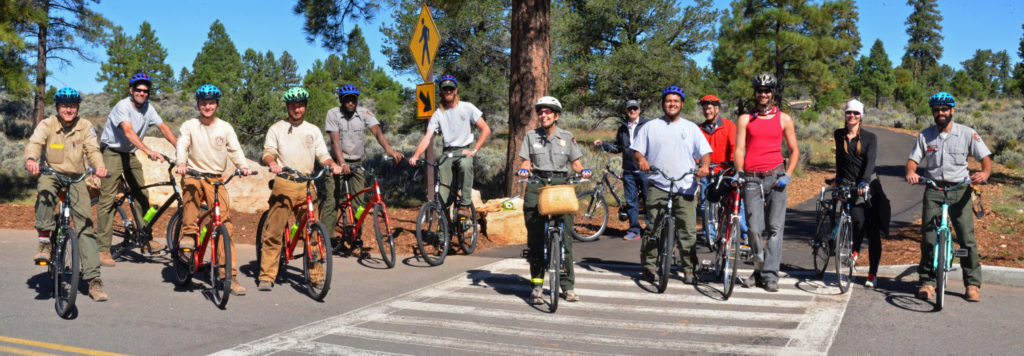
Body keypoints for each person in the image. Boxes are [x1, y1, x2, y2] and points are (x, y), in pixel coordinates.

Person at [25, 87, 111, 301]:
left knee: (86, 226)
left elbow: (92, 150)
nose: (68, 109)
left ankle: (94, 280)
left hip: (77, 177)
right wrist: (31, 160)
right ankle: (45, 241)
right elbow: (35, 144)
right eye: (64, 105)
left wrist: (99, 167)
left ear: (77, 108)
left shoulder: (85, 126)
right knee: (44, 190)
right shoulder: (47, 124)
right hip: (52, 172)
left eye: (72, 106)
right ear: (57, 107)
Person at [905, 92, 991, 302]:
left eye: (944, 109)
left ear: (952, 110)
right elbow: (912, 160)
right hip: (934, 190)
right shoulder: (925, 135)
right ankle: (927, 281)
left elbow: (986, 159)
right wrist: (910, 172)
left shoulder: (967, 133)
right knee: (928, 238)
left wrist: (985, 173)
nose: (940, 112)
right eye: (936, 109)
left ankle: (972, 284)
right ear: (933, 112)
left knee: (966, 239)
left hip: (960, 190)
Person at [258, 87, 343, 291]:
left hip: (307, 183)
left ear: (305, 107)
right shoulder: (276, 128)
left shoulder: (312, 130)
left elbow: (323, 155)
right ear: (288, 106)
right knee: (274, 232)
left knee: (313, 232)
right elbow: (268, 152)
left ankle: (316, 276)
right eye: (294, 105)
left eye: (301, 105)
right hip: (285, 182)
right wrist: (272, 163)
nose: (298, 109)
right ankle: (267, 276)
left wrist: (332, 165)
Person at [173, 84, 252, 296]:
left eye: (211, 103)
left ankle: (230, 276)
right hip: (194, 173)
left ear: (217, 104)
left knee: (225, 224)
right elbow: (182, 145)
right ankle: (189, 233)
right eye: (203, 103)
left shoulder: (225, 127)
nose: (207, 106)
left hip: (216, 177)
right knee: (190, 190)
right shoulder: (190, 125)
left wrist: (242, 166)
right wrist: (181, 163)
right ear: (198, 104)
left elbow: (234, 150)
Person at [631, 86, 712, 285]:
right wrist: (641, 159)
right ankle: (649, 266)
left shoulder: (691, 128)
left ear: (682, 104)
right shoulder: (650, 127)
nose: (672, 104)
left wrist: (704, 166)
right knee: (653, 229)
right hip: (658, 184)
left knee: (687, 231)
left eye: (676, 101)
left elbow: (705, 153)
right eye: (669, 101)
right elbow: (637, 151)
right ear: (663, 104)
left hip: (685, 186)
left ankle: (689, 269)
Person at [96, 72, 178, 266]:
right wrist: (148, 150)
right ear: (131, 90)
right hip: (112, 151)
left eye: (145, 91)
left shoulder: (149, 108)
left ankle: (146, 239)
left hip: (129, 153)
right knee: (108, 199)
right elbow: (128, 131)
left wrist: (180, 148)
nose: (142, 93)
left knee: (142, 194)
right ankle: (103, 249)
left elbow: (164, 128)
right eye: (138, 90)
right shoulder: (122, 106)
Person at [517, 96, 593, 304]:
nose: (544, 115)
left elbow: (576, 164)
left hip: (561, 184)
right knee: (535, 239)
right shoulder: (530, 137)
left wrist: (583, 171)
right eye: (541, 112)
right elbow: (525, 162)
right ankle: (537, 285)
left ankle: (567, 287)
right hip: (537, 184)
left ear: (556, 116)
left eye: (548, 112)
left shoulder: (567, 137)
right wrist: (523, 171)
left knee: (565, 238)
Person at [734, 72, 800, 292]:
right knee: (753, 229)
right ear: (755, 93)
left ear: (772, 93)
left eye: (767, 90)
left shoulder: (784, 119)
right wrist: (739, 172)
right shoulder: (745, 119)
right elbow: (740, 148)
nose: (763, 94)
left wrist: (788, 173)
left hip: (776, 177)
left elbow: (794, 150)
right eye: (760, 91)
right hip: (751, 179)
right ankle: (759, 268)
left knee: (775, 228)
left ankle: (770, 275)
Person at [319, 84, 404, 247]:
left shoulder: (364, 113)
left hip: (357, 162)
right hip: (337, 163)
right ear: (341, 101)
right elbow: (335, 141)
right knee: (332, 201)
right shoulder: (333, 114)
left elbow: (377, 133)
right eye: (347, 100)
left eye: (353, 100)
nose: (350, 103)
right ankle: (326, 239)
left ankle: (356, 235)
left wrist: (390, 151)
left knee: (359, 203)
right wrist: (342, 163)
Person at [408, 74, 492, 210]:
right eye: (445, 89)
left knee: (466, 165)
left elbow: (486, 129)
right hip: (447, 153)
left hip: (464, 150)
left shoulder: (467, 107)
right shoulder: (438, 113)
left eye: (451, 89)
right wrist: (416, 155)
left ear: (456, 90)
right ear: (441, 91)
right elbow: (427, 137)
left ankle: (465, 205)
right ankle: (443, 227)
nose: (448, 91)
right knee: (443, 192)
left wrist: (474, 150)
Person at [833, 99, 890, 288]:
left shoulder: (869, 137)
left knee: (873, 232)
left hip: (869, 188)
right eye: (849, 112)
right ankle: (854, 251)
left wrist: (865, 181)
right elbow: (840, 160)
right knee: (857, 222)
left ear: (861, 116)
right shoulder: (839, 134)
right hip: (849, 187)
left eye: (856, 113)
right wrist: (838, 178)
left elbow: (870, 161)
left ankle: (872, 273)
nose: (852, 116)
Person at [593, 99, 649, 240]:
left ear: (639, 110)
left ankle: (650, 230)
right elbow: (618, 147)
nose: (632, 111)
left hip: (645, 169)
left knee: (649, 201)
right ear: (626, 111)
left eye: (635, 108)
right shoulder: (623, 128)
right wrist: (604, 144)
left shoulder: (647, 125)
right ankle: (634, 230)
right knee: (631, 202)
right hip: (629, 170)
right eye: (630, 109)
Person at [696, 94, 746, 245]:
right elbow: (695, 149)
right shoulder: (699, 129)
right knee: (705, 203)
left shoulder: (729, 126)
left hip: (726, 171)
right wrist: (696, 163)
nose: (707, 111)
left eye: (710, 108)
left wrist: (733, 163)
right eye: (705, 109)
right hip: (708, 171)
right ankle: (710, 235)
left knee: (736, 201)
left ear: (717, 109)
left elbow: (734, 147)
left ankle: (744, 233)